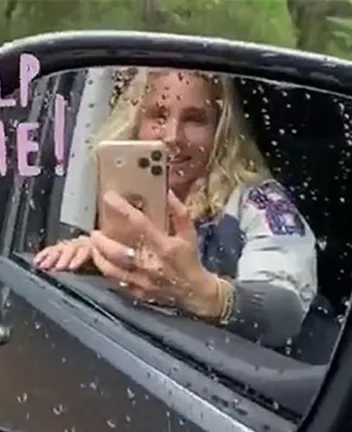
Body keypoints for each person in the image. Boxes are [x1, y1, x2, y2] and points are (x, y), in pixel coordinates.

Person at [34, 67, 318, 349]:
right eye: (158, 115)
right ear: (136, 122)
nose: (172, 136)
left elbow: (285, 311)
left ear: (220, 129)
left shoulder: (257, 202)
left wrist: (212, 296)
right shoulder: (122, 198)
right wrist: (95, 258)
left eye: (195, 119)